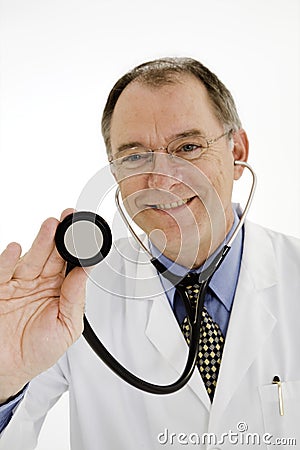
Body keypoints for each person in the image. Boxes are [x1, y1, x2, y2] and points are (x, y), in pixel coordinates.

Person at [0, 57, 300, 450]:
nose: (163, 179)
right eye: (134, 156)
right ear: (115, 174)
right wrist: (3, 377)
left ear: (238, 151)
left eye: (188, 147)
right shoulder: (68, 300)